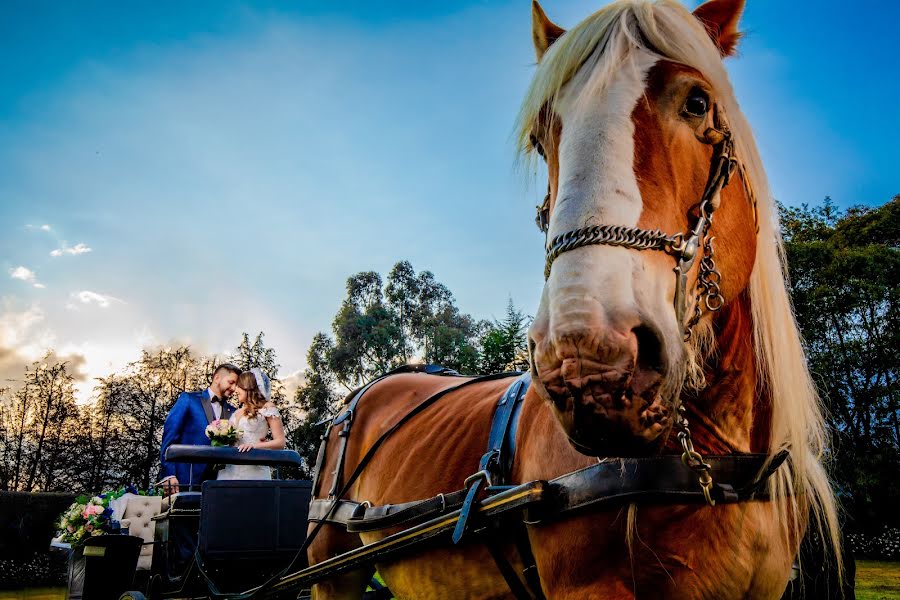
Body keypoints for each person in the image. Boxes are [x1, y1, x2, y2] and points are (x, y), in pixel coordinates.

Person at [158, 363, 240, 494]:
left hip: (219, 482)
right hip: (185, 477)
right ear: (217, 378)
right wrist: (169, 474)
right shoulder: (189, 399)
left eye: (236, 385)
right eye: (231, 382)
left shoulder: (234, 412)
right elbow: (169, 437)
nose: (234, 388)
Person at [217, 367, 286, 480]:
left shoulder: (267, 408)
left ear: (248, 387)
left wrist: (254, 446)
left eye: (239, 386)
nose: (235, 390)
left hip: (254, 469)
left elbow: (280, 442)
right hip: (229, 470)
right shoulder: (236, 412)